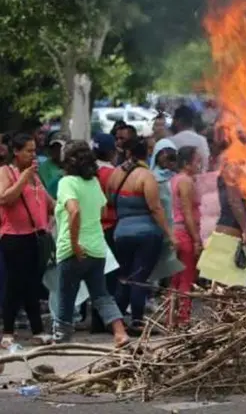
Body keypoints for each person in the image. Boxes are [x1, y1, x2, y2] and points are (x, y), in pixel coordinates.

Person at [52, 141, 129, 346]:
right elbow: (103, 210)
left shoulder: (67, 182)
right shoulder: (94, 182)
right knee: (101, 295)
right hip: (97, 249)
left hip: (73, 249)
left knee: (66, 296)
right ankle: (120, 332)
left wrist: (75, 243)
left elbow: (74, 210)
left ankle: (62, 340)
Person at [107, 137, 176, 333]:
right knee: (139, 278)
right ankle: (137, 321)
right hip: (147, 234)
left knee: (123, 277)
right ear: (147, 154)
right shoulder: (146, 176)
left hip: (121, 232)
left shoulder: (115, 174)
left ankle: (117, 321)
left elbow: (109, 201)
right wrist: (169, 234)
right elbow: (155, 208)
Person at [0, 133, 54, 347]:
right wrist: (23, 178)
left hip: (35, 236)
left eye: (34, 151)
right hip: (14, 237)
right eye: (28, 151)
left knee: (32, 284)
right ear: (16, 152)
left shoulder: (35, 176)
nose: (33, 155)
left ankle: (38, 329)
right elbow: (5, 197)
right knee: (14, 284)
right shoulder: (6, 172)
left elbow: (49, 202)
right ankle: (8, 332)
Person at [169, 147, 203, 326]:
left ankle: (171, 318)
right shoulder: (186, 182)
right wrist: (196, 239)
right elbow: (188, 213)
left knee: (175, 278)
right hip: (185, 234)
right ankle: (183, 319)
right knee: (186, 278)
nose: (199, 164)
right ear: (187, 163)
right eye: (197, 160)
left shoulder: (175, 179)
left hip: (177, 231)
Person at [90, 133, 120, 334]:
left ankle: (95, 321)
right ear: (112, 152)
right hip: (110, 227)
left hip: (91, 229)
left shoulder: (88, 174)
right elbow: (114, 200)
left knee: (95, 276)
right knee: (109, 277)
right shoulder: (113, 174)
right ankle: (107, 321)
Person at [170, 105, 210, 172]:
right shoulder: (202, 140)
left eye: (174, 119)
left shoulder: (171, 141)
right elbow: (205, 166)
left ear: (179, 121)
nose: (172, 122)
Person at [38, 131, 67, 199]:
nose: (58, 150)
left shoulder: (72, 164)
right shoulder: (45, 167)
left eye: (61, 147)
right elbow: (49, 191)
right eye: (55, 147)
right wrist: (60, 175)